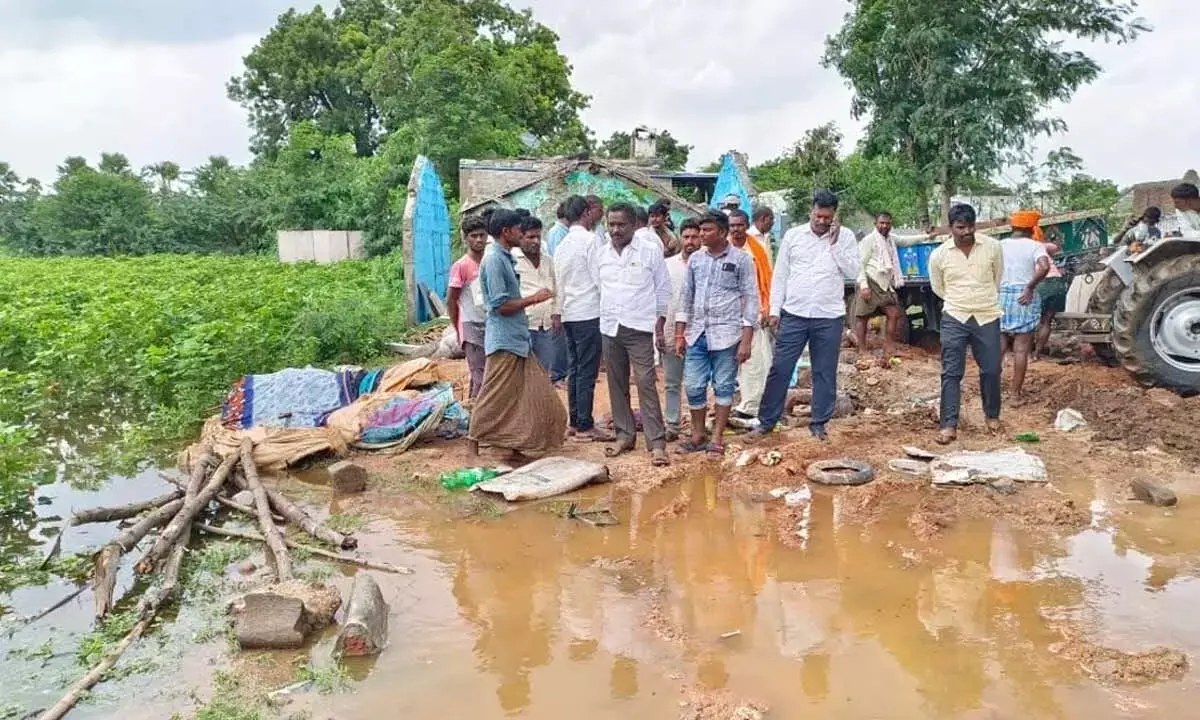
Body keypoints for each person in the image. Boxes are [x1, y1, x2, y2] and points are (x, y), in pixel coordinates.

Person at [749, 190, 860, 442]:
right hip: (795, 313)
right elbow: (781, 275)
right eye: (818, 215)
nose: (822, 221)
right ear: (811, 211)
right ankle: (767, 422)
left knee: (824, 371)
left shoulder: (846, 237)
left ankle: (819, 423)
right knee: (781, 367)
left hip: (828, 315)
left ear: (834, 216)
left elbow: (853, 271)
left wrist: (835, 244)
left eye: (827, 217)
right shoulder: (793, 235)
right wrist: (775, 310)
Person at [467, 209, 567, 460]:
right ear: (506, 232)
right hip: (505, 341)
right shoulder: (494, 261)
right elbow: (500, 305)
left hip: (517, 339)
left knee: (530, 396)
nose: (523, 235)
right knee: (493, 395)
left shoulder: (505, 257)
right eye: (519, 231)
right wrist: (534, 298)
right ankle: (472, 445)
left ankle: (514, 444)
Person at [592, 202, 671, 466]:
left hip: (639, 327)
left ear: (634, 225)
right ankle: (624, 436)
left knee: (646, 382)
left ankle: (657, 443)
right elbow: (597, 287)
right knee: (616, 383)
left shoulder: (650, 252)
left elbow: (662, 290)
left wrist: (659, 325)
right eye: (611, 224)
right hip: (610, 327)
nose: (615, 230)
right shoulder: (600, 254)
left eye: (621, 224)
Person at [674, 211, 758, 458]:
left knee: (723, 385)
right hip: (697, 333)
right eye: (701, 230)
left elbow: (751, 299)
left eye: (707, 230)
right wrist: (680, 334)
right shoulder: (696, 260)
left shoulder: (741, 260)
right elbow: (686, 296)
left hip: (727, 334)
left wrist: (746, 339)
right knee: (693, 385)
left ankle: (717, 437)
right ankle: (698, 435)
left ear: (722, 232)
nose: (701, 234)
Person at [928, 203, 1004, 445]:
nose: (966, 232)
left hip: (987, 315)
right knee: (951, 372)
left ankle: (992, 416)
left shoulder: (992, 247)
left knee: (992, 369)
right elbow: (938, 287)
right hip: (955, 316)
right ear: (951, 228)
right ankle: (948, 425)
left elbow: (997, 278)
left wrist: (981, 299)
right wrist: (959, 301)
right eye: (960, 227)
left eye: (970, 227)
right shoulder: (939, 255)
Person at [553, 195, 608, 441]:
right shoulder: (591, 241)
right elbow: (600, 278)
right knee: (587, 369)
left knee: (575, 368)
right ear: (586, 213)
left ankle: (575, 421)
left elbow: (559, 281)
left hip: (569, 312)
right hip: (589, 311)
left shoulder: (562, 244)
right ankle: (585, 424)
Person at [854, 211, 923, 365]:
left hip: (885, 284)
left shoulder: (891, 239)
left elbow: (906, 241)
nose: (884, 226)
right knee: (863, 317)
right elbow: (859, 264)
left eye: (887, 223)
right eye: (881, 223)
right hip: (871, 280)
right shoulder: (869, 240)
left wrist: (926, 236)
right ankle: (862, 349)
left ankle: (889, 346)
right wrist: (864, 286)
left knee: (894, 313)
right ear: (875, 224)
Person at [999, 211, 1051, 405]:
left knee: (999, 347)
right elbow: (1044, 267)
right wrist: (1030, 286)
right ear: (1032, 228)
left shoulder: (999, 245)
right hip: (1023, 296)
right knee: (1021, 350)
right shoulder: (1035, 246)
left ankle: (992, 393)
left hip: (1001, 296)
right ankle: (1014, 396)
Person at [727, 209, 773, 419]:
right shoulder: (722, 249)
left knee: (756, 361)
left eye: (740, 225)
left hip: (753, 314)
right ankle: (723, 406)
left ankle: (751, 407)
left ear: (747, 226)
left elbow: (767, 278)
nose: (736, 229)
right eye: (732, 225)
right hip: (725, 315)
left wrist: (767, 309)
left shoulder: (758, 249)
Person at [662, 218, 701, 441]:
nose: (690, 241)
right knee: (672, 381)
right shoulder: (668, 266)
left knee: (699, 382)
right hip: (670, 330)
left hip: (699, 332)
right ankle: (673, 425)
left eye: (695, 237)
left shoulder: (707, 264)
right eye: (686, 237)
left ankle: (699, 425)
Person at [514, 216, 564, 384]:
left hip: (546, 325)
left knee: (543, 373)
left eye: (538, 236)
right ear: (520, 237)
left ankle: (538, 408)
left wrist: (557, 314)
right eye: (530, 237)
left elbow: (557, 288)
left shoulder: (548, 260)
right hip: (523, 325)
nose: (535, 241)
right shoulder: (513, 260)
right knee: (522, 373)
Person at [447, 216, 489, 399]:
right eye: (474, 236)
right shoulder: (461, 266)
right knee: (480, 377)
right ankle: (476, 420)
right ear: (466, 238)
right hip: (471, 326)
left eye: (482, 235)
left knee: (486, 376)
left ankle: (475, 411)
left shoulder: (490, 261)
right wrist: (458, 327)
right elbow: (451, 299)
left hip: (491, 324)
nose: (479, 240)